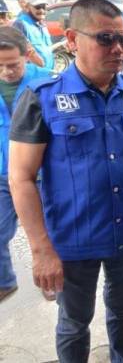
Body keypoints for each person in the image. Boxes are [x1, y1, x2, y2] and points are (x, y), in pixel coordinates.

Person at [8, 0, 123, 362]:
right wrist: (41, 249)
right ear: (71, 39)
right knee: (74, 322)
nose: (118, 49)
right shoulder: (42, 99)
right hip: (72, 238)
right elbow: (21, 178)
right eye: (104, 38)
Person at [0, 27, 52, 303]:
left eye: (13, 65)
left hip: (42, 175)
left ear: (27, 57)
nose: (7, 71)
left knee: (49, 232)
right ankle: (4, 281)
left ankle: (52, 278)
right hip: (2, 174)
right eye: (0, 66)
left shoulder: (44, 84)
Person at [12, 0, 53, 70]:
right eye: (37, 7)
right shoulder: (21, 24)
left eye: (43, 7)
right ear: (27, 8)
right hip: (33, 76)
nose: (41, 10)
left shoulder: (42, 23)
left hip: (47, 73)